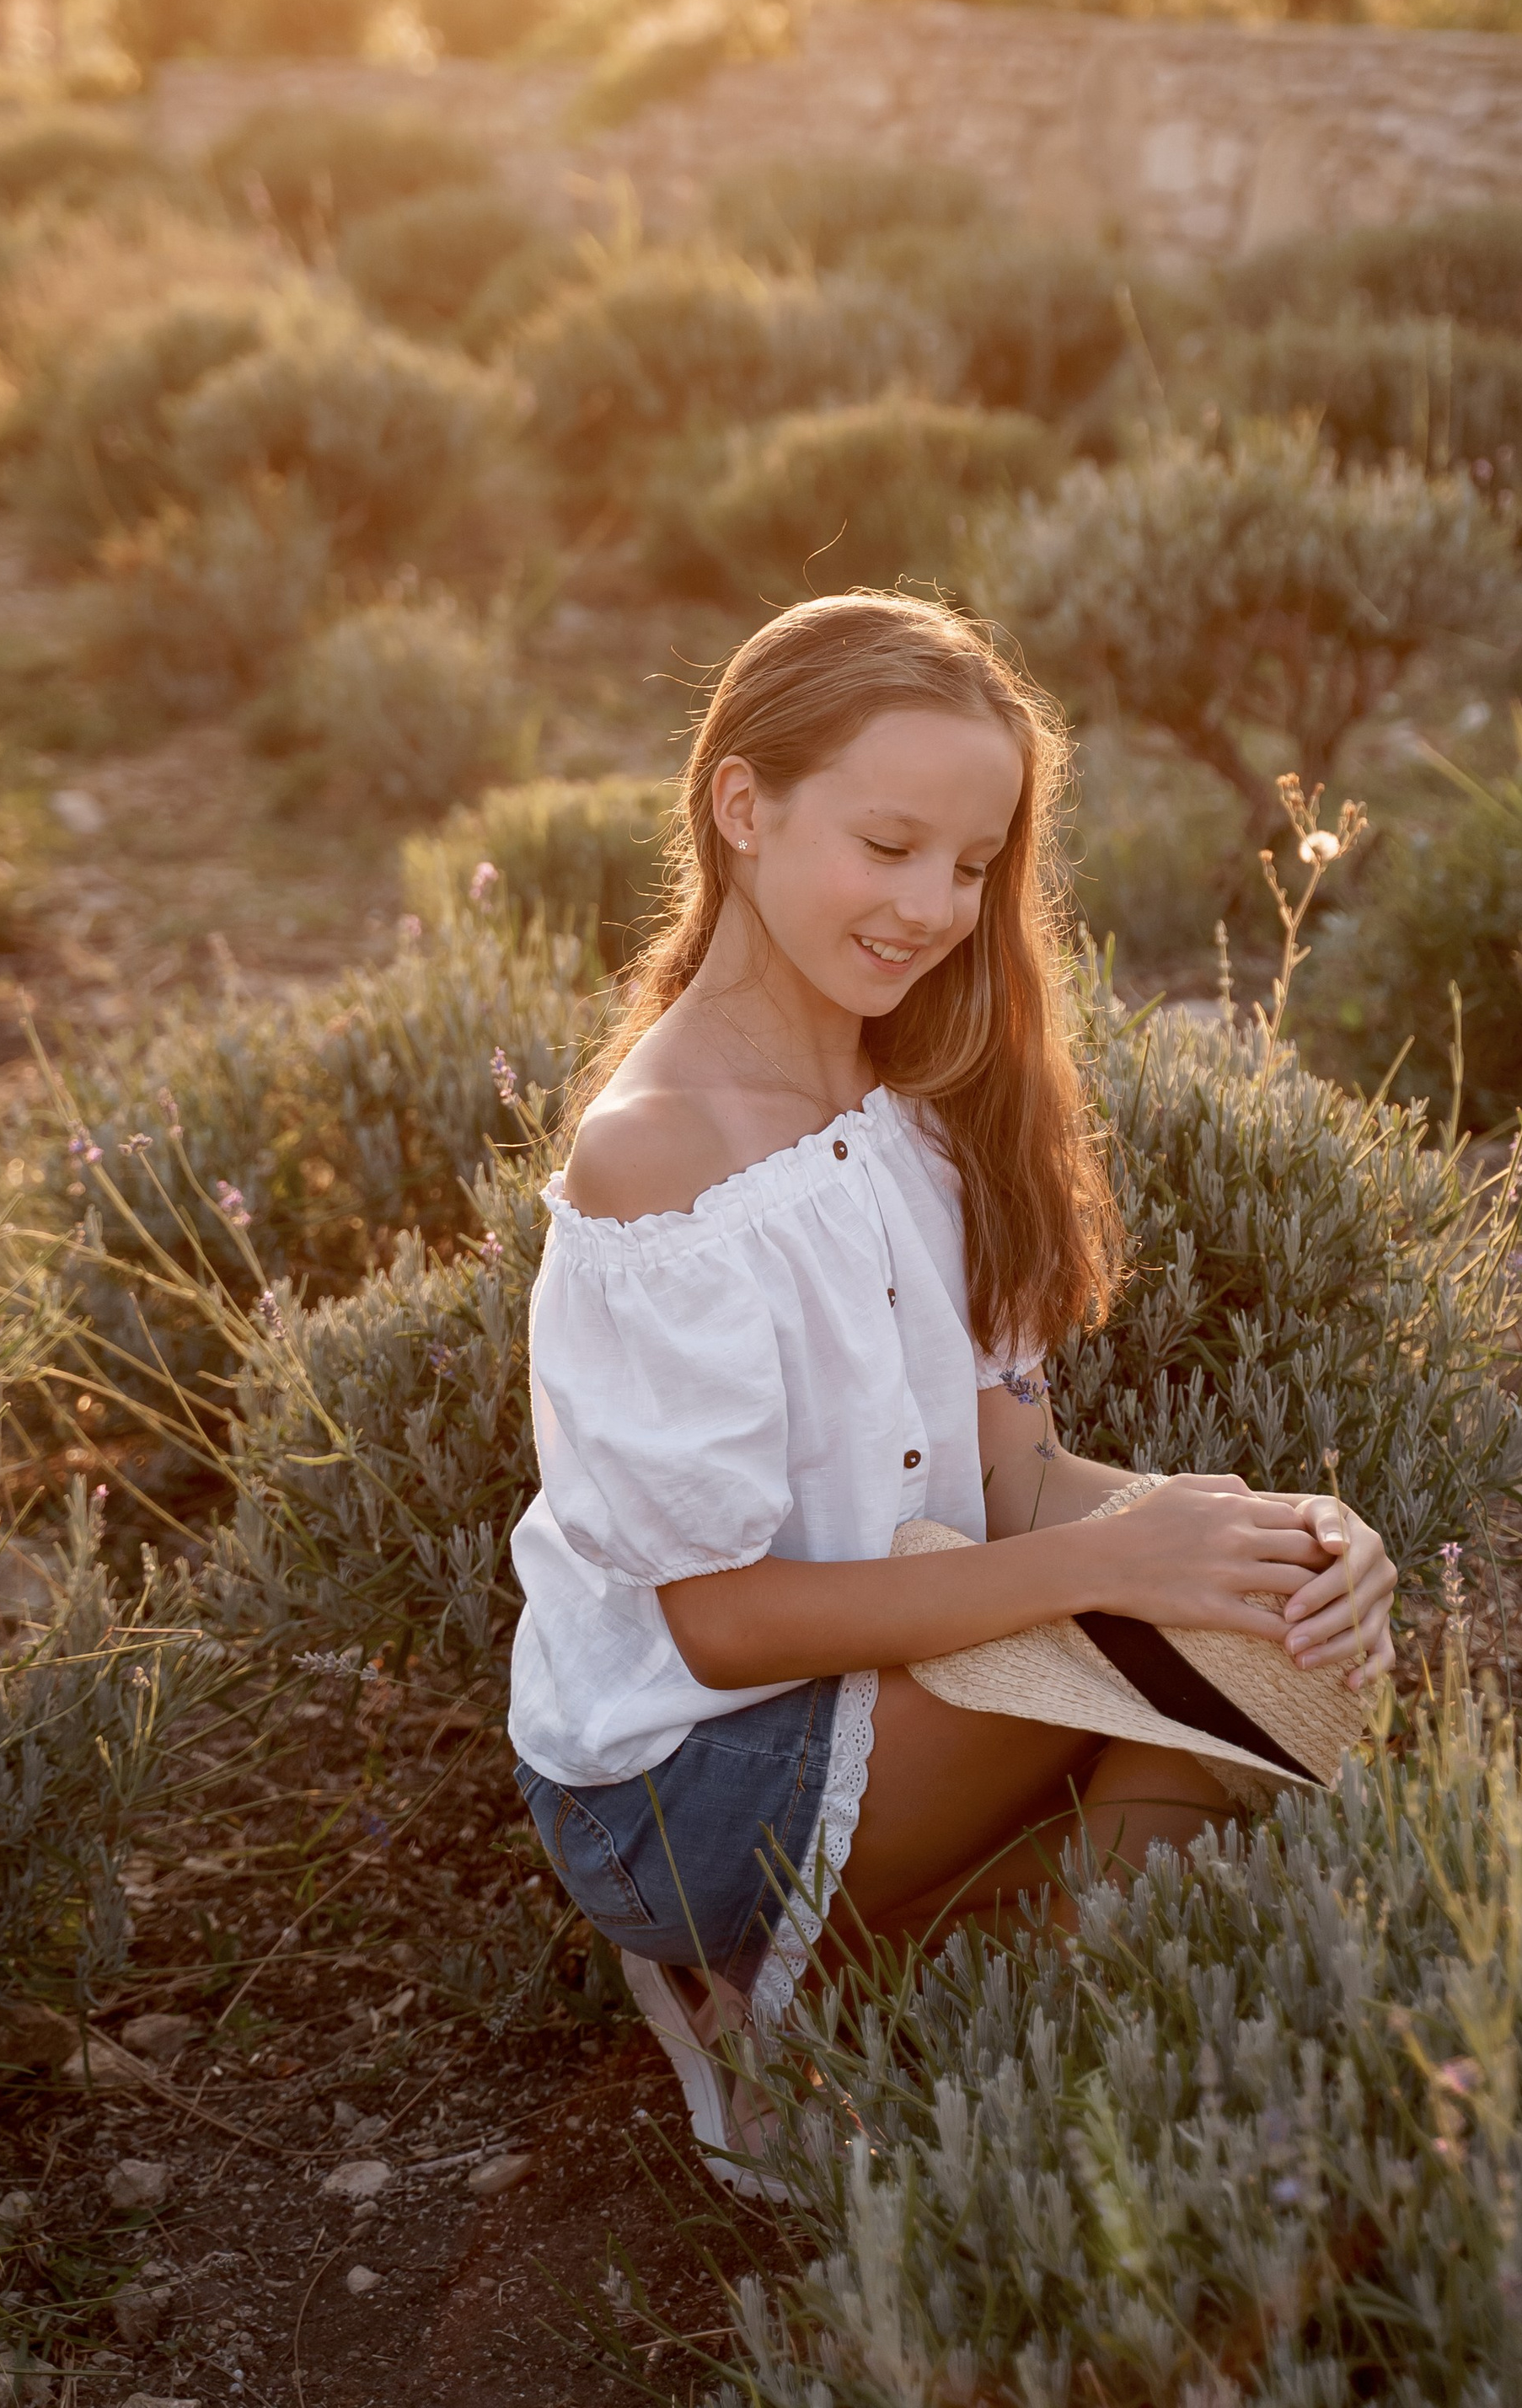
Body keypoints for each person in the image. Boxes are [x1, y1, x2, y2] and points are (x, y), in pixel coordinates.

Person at [508, 592, 1397, 2184]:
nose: (933, 905)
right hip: (685, 1771)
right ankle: (788, 1999)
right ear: (743, 806)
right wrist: (1115, 1569)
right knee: (1223, 1660)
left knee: (1300, 1642)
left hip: (901, 1673)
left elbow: (1017, 1481)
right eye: (890, 843)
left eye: (975, 866)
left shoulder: (922, 1091)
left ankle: (878, 2003)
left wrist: (1290, 1531)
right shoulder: (660, 1157)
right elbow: (725, 1624)